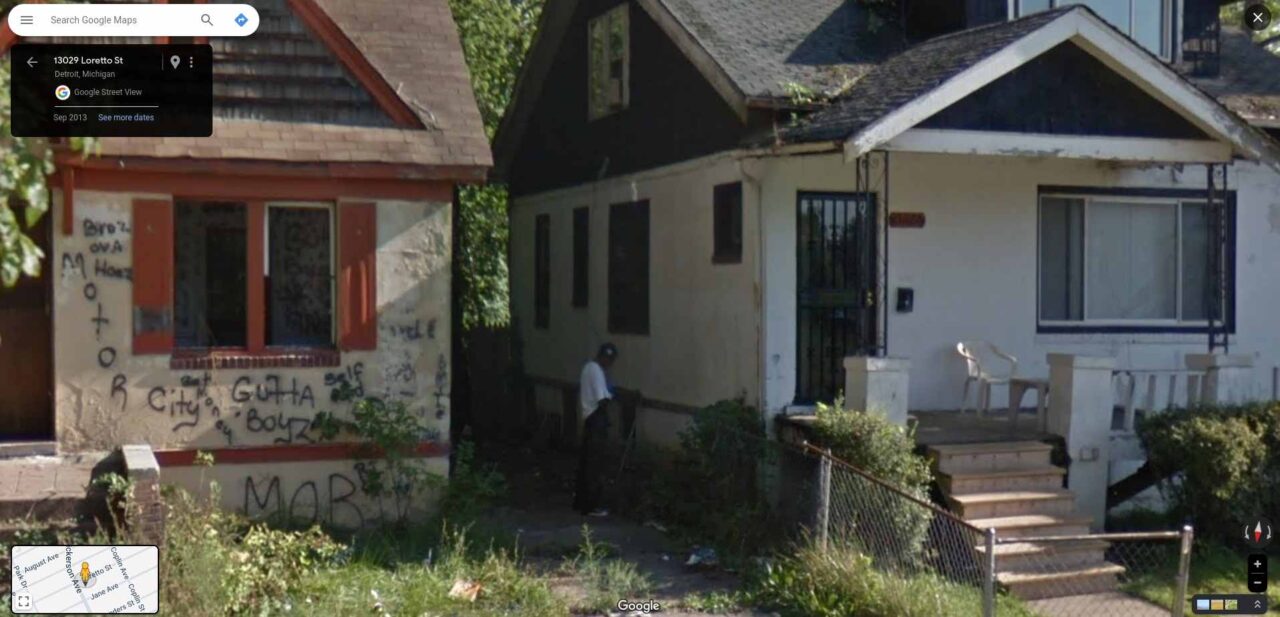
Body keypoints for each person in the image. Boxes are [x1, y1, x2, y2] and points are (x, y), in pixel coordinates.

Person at [574, 342, 617, 517]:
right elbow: (602, 399)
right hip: (596, 418)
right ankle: (592, 505)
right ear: (605, 358)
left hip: (588, 419)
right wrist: (611, 394)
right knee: (595, 464)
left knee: (586, 462)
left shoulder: (587, 367)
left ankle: (581, 502)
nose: (610, 365)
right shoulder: (597, 371)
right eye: (610, 361)